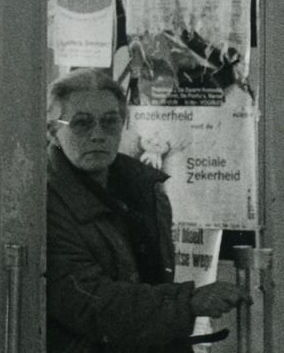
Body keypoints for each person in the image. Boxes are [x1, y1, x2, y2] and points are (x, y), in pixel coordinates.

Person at [46, 69, 249, 353]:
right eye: (81, 124)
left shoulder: (145, 188)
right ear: (54, 131)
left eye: (110, 122)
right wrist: (186, 303)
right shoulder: (45, 200)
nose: (97, 135)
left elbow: (153, 277)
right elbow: (88, 300)